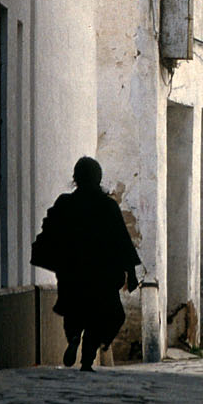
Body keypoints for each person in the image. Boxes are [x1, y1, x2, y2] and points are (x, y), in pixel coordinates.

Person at [31, 157, 141, 370]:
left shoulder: (65, 203)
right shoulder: (108, 207)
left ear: (76, 178)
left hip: (72, 272)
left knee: (74, 311)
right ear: (98, 178)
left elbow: (50, 230)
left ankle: (73, 338)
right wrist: (131, 272)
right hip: (102, 276)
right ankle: (88, 358)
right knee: (103, 316)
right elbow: (122, 240)